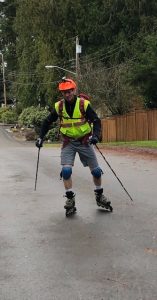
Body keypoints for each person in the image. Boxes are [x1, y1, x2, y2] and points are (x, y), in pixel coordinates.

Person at [36, 77, 112, 216]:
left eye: (69, 91)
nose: (67, 94)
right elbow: (47, 122)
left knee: (96, 171)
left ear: (74, 90)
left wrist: (95, 136)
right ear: (62, 93)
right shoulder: (59, 106)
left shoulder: (84, 104)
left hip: (85, 141)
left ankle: (99, 195)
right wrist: (41, 137)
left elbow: (96, 120)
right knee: (66, 171)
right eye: (64, 92)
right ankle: (70, 199)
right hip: (68, 142)